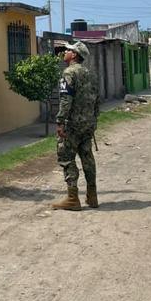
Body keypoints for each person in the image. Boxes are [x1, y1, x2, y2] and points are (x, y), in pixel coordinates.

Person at [52, 41, 100, 211]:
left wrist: (60, 121)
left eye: (68, 50)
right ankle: (92, 196)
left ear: (74, 55)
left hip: (72, 124)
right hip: (88, 124)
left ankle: (73, 198)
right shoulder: (91, 74)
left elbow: (66, 100)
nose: (65, 52)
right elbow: (97, 100)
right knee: (87, 157)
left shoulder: (69, 73)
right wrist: (94, 120)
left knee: (66, 157)